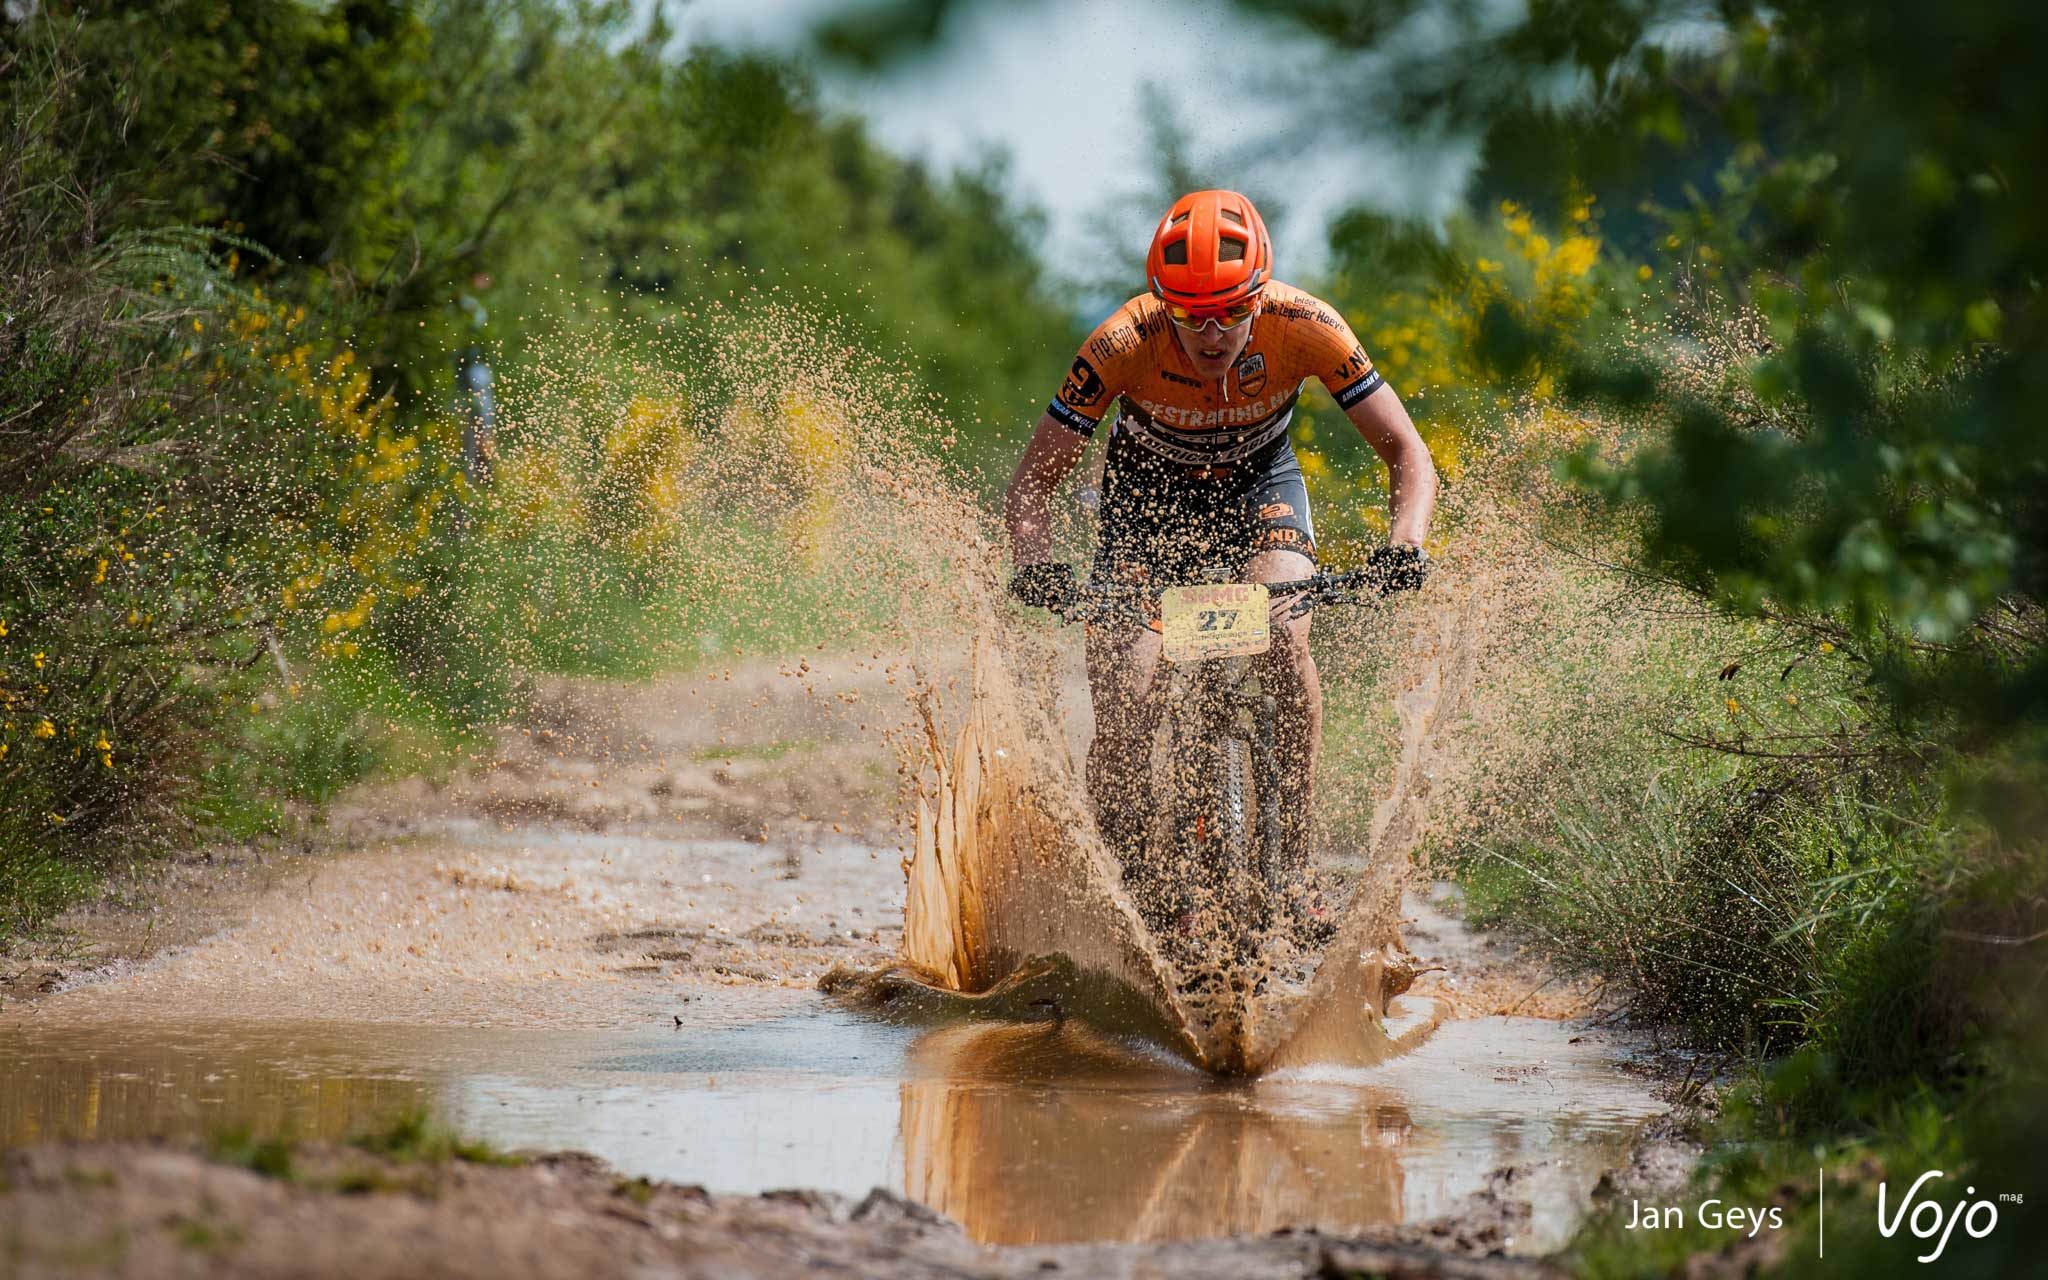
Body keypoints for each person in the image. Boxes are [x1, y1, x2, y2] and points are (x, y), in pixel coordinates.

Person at [1002, 189, 1438, 923]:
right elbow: (1030, 488)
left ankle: (1295, 868)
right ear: (1160, 304)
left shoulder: (1310, 327)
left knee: (1282, 630)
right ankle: (1128, 886)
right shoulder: (1119, 344)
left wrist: (1407, 545)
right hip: (1146, 504)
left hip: (1259, 492)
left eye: (1233, 312)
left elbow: (1409, 454)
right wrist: (1036, 565)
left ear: (1260, 297)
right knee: (1129, 690)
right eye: (1190, 316)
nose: (1212, 334)